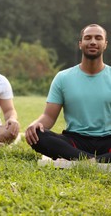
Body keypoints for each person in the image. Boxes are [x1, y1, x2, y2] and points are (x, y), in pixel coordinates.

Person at [25, 24, 111, 163]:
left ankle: (85, 160)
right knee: (39, 136)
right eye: (88, 38)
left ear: (105, 44)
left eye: (98, 38)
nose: (93, 42)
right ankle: (96, 161)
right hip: (75, 141)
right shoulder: (63, 77)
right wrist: (35, 124)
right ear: (80, 44)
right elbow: (48, 116)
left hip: (108, 141)